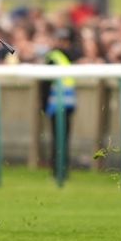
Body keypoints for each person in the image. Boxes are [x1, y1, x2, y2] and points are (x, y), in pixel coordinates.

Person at [39, 28, 77, 178]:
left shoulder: (58, 56)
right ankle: (59, 170)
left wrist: (43, 105)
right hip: (60, 105)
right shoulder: (59, 56)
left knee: (61, 139)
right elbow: (45, 83)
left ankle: (60, 170)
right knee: (60, 139)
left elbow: (45, 84)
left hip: (62, 104)